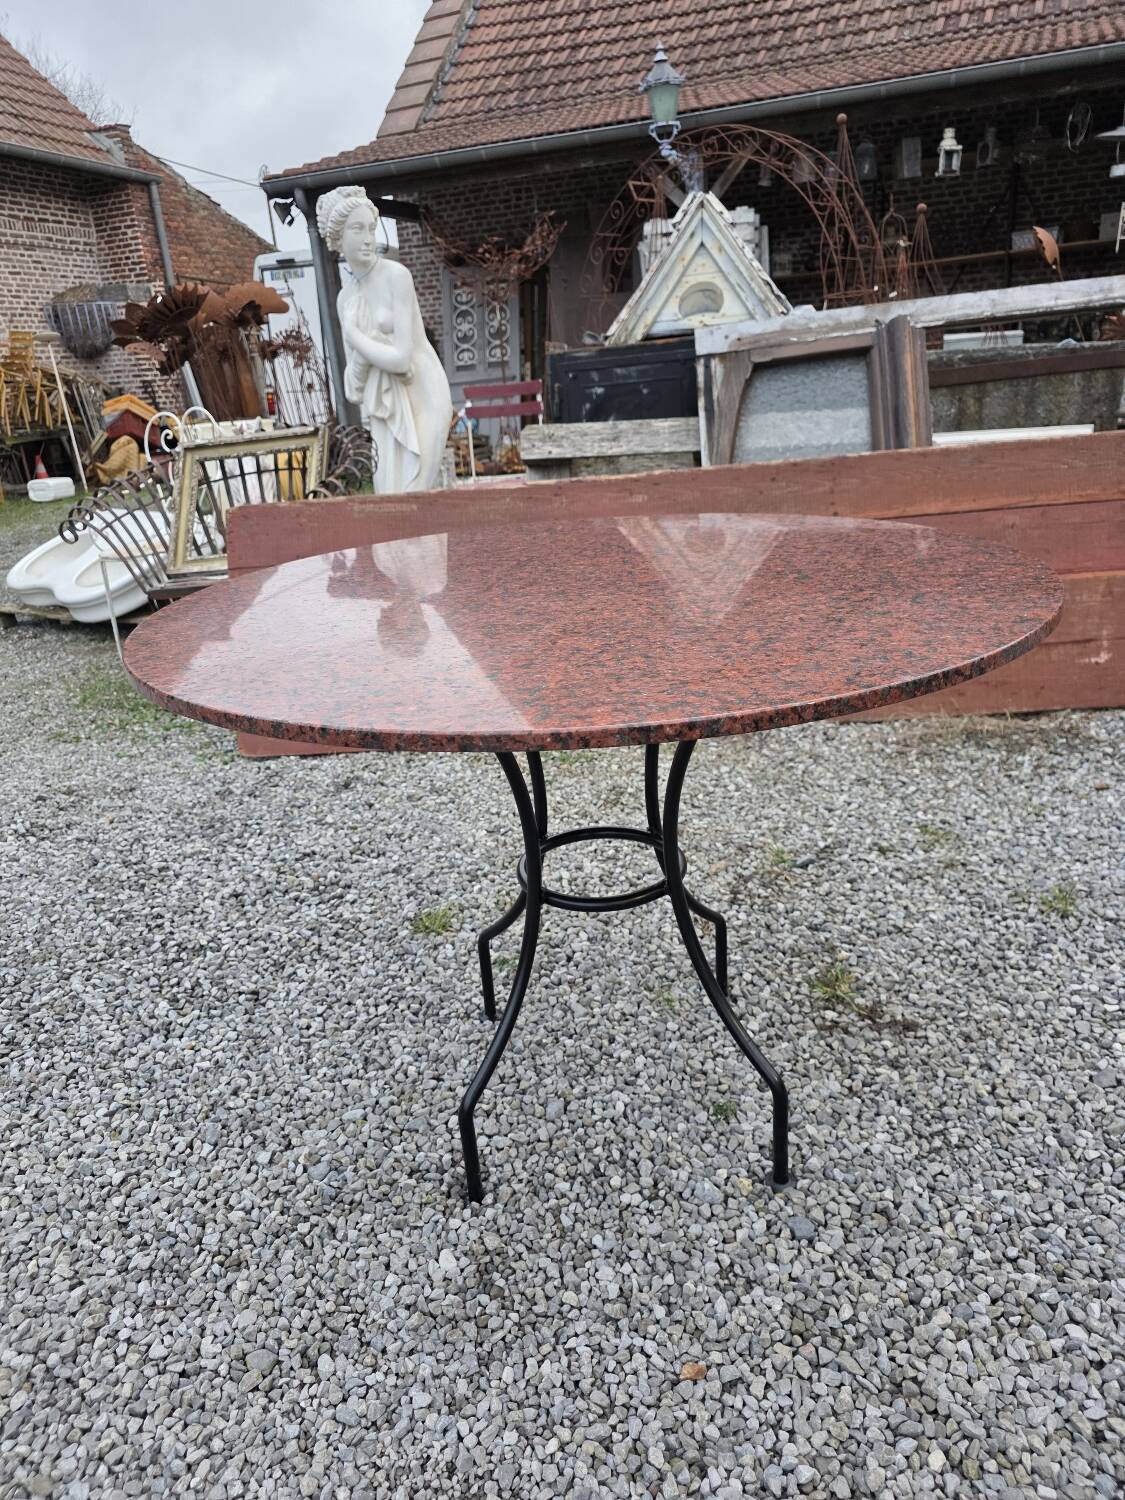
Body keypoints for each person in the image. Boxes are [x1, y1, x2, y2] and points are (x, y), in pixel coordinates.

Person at [316, 185, 452, 492]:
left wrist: (355, 337)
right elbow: (353, 387)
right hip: (382, 407)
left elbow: (402, 359)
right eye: (357, 229)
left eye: (371, 228)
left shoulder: (396, 276)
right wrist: (365, 354)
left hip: (422, 395)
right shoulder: (345, 299)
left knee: (416, 496)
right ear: (339, 238)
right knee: (389, 497)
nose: (368, 238)